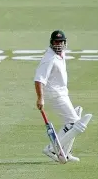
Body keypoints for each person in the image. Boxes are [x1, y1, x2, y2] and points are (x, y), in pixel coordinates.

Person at [34, 30, 92, 163]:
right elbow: (39, 79)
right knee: (76, 124)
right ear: (51, 43)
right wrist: (40, 98)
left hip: (62, 93)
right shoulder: (49, 59)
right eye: (56, 42)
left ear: (65, 43)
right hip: (55, 95)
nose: (59, 45)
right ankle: (51, 149)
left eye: (61, 42)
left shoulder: (60, 54)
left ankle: (65, 152)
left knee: (72, 122)